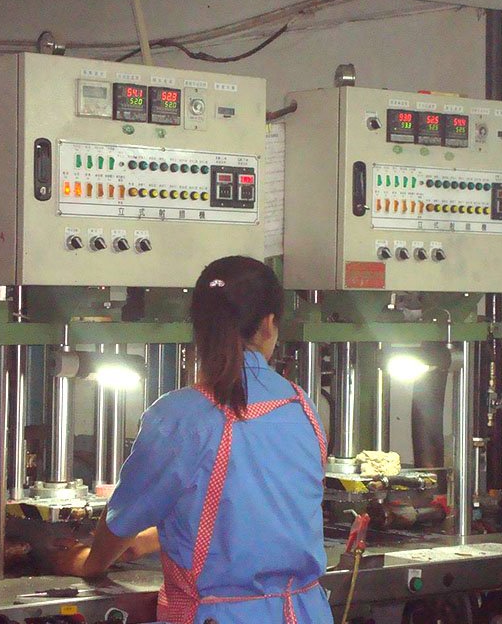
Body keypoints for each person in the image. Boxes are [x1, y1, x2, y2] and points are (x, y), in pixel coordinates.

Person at [54, 255, 333, 624]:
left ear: (199, 326)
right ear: (269, 325)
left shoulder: (179, 416)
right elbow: (252, 512)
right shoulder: (302, 406)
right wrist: (154, 538)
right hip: (306, 612)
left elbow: (122, 521)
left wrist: (89, 563)